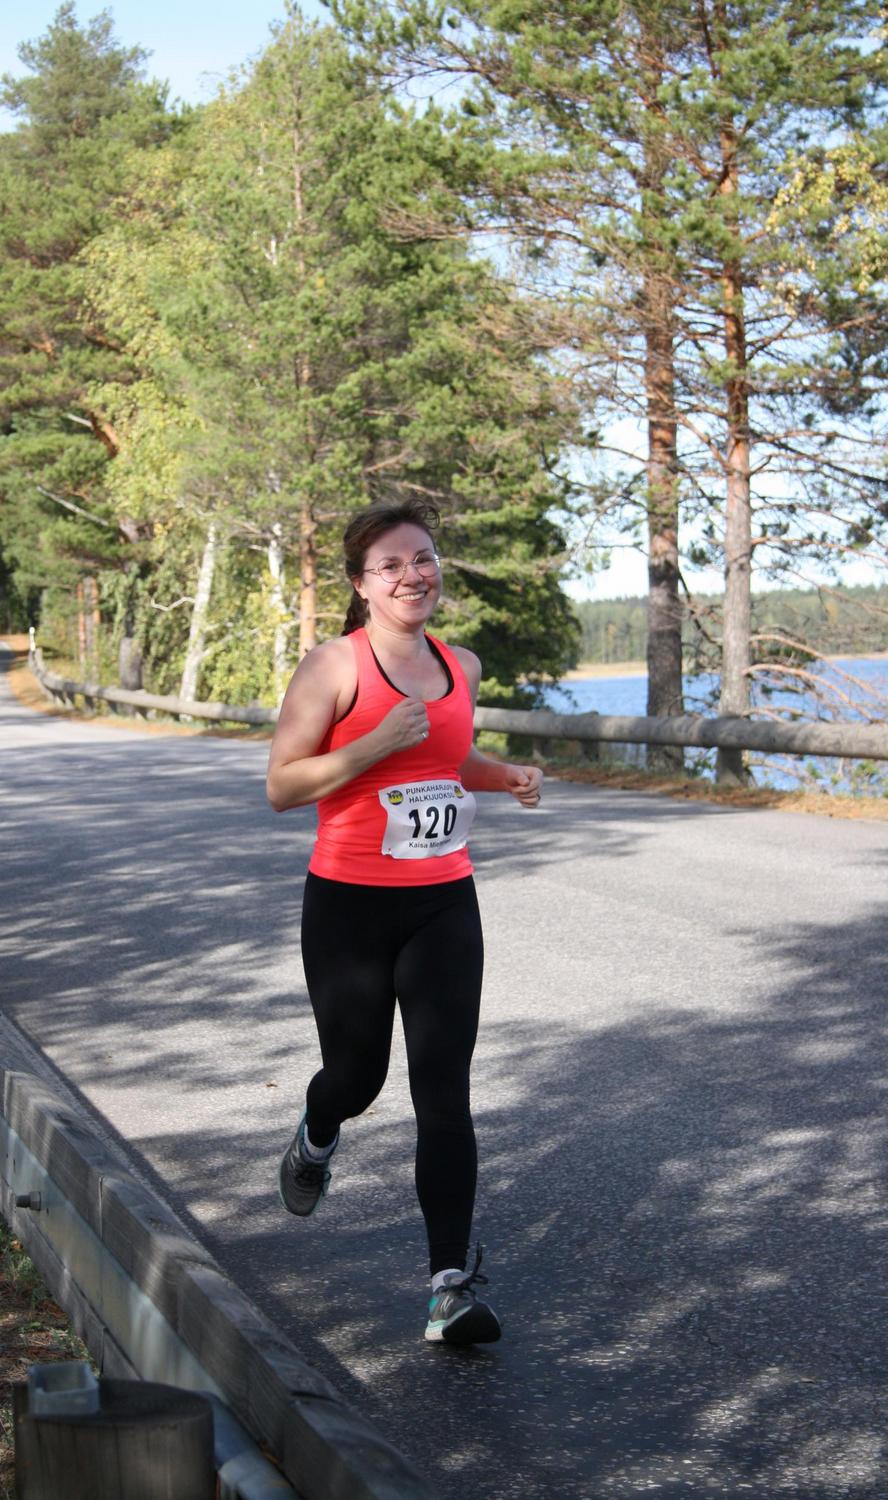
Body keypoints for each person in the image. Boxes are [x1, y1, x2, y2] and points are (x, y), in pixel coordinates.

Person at [266, 499, 542, 1346]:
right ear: (361, 583)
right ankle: (317, 1134)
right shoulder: (333, 666)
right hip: (348, 904)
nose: (412, 575)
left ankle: (448, 1288)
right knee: (357, 1078)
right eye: (390, 565)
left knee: (444, 1090)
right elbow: (283, 785)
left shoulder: (461, 664)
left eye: (423, 558)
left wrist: (504, 776)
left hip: (443, 902)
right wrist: (372, 744)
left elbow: (447, 758)